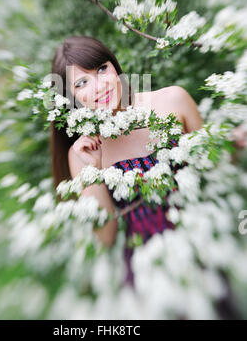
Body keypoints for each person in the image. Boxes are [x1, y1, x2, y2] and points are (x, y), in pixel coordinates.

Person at [50, 35, 203, 287]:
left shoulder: (173, 101)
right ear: (71, 97)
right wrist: (93, 172)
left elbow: (214, 168)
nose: (99, 86)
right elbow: (106, 237)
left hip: (200, 247)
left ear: (114, 66)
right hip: (146, 272)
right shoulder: (83, 152)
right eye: (82, 83)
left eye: (102, 69)